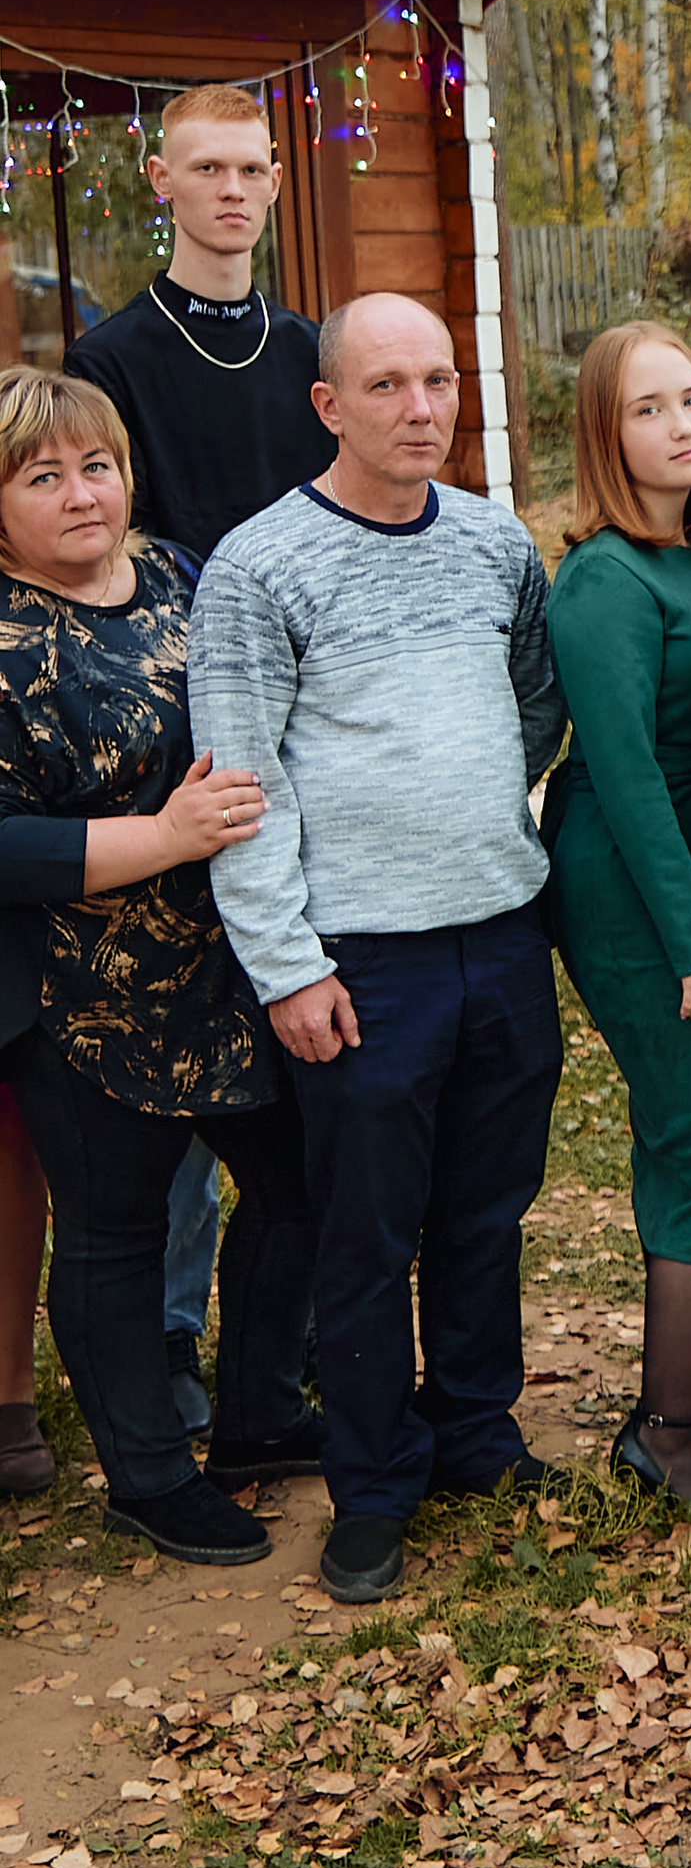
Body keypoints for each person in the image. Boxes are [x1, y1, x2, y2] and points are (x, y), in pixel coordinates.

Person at [188, 295, 567, 1606]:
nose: (423, 408)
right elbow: (241, 783)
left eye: (440, 381)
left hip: (500, 931)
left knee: (487, 1209)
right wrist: (289, 965)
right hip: (360, 960)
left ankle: (475, 1433)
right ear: (329, 406)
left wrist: (465, 824)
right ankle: (372, 1486)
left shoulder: (492, 542)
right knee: (366, 1232)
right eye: (391, 385)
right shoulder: (261, 568)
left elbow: (532, 702)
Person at [0, 370, 317, 1563]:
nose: (84, 494)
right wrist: (169, 837)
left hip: (232, 965)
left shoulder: (187, 575)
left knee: (297, 1188)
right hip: (82, 996)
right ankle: (146, 1471)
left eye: (98, 465)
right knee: (115, 1230)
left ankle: (257, 1417)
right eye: (43, 477)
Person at [66, 83, 336, 1443]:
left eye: (251, 168)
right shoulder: (112, 356)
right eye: (205, 169)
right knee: (168, 1056)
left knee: (282, 1051)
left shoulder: (307, 355)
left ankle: (275, 1365)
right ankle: (169, 1337)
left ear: (278, 181)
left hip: (303, 732)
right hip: (156, 741)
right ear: (159, 182)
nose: (231, 191)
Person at [544, 325, 691, 1523]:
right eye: (648, 409)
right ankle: (666, 1430)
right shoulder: (605, 577)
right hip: (639, 884)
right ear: (603, 432)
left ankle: (686, 1396)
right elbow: (625, 775)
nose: (682, 424)